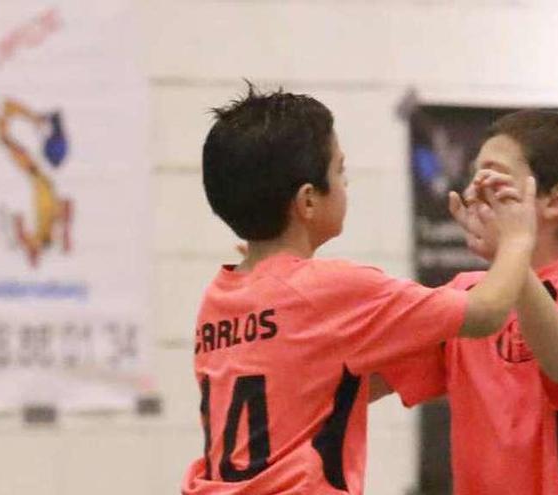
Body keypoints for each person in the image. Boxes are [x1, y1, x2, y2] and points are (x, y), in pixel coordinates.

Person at [180, 85, 537, 494]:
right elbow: (487, 311)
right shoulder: (331, 290)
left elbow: (312, 391)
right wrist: (517, 239)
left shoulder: (220, 296)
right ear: (308, 201)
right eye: (340, 171)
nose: (347, 184)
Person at [381, 110, 558, 494]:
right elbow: (360, 382)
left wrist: (513, 250)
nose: (471, 197)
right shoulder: (469, 293)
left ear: (554, 200)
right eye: (472, 180)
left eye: (492, 180)